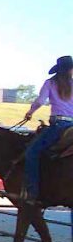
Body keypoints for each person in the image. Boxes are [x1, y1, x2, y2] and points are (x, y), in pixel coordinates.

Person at [22, 55, 73, 203]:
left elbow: (40, 101)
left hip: (58, 126)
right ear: (69, 69)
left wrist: (30, 112)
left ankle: (33, 191)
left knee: (32, 152)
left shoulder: (50, 83)